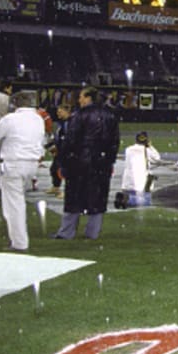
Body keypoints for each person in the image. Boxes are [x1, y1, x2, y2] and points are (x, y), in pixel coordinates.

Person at [52, 87, 120, 240]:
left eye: (82, 97)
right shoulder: (110, 115)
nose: (79, 100)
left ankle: (66, 232)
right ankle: (92, 233)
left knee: (73, 198)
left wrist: (63, 160)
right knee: (98, 198)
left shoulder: (79, 115)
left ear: (89, 98)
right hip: (101, 163)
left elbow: (71, 140)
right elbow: (114, 142)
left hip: (79, 162)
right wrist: (109, 160)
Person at [0, 91, 46, 251]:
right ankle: (19, 240)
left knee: (14, 206)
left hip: (14, 163)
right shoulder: (38, 119)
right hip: (32, 164)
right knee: (19, 202)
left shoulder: (11, 119)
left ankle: (19, 243)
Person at [115, 131, 161, 209]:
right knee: (146, 201)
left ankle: (125, 197)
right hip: (140, 183)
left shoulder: (128, 149)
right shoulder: (147, 150)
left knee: (135, 195)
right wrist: (150, 146)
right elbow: (157, 158)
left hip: (127, 183)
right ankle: (127, 199)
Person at [47, 103, 72, 198]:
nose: (58, 114)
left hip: (66, 152)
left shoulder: (70, 123)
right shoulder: (61, 123)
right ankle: (56, 187)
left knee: (66, 172)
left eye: (60, 112)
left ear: (67, 112)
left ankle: (68, 191)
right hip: (60, 151)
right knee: (54, 169)